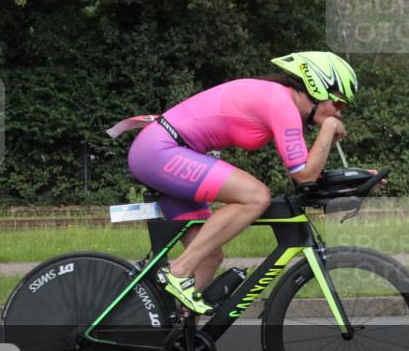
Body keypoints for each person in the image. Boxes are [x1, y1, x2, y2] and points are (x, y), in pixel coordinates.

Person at [108, 52, 358, 315]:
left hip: (167, 151)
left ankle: (175, 336)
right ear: (318, 88)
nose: (339, 114)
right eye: (339, 105)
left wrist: (355, 176)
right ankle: (179, 271)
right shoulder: (282, 103)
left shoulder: (281, 102)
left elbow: (305, 176)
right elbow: (303, 176)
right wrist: (328, 128)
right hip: (160, 151)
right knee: (256, 196)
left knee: (209, 258)